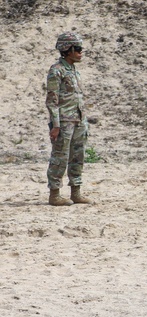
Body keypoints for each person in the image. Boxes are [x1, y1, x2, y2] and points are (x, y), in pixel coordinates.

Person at [45, 32, 90, 207]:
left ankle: (75, 191)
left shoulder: (73, 71)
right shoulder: (56, 70)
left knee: (78, 156)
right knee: (60, 158)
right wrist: (55, 125)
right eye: (77, 49)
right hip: (63, 122)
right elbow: (52, 100)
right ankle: (54, 194)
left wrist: (82, 119)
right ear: (67, 49)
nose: (80, 52)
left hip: (78, 120)